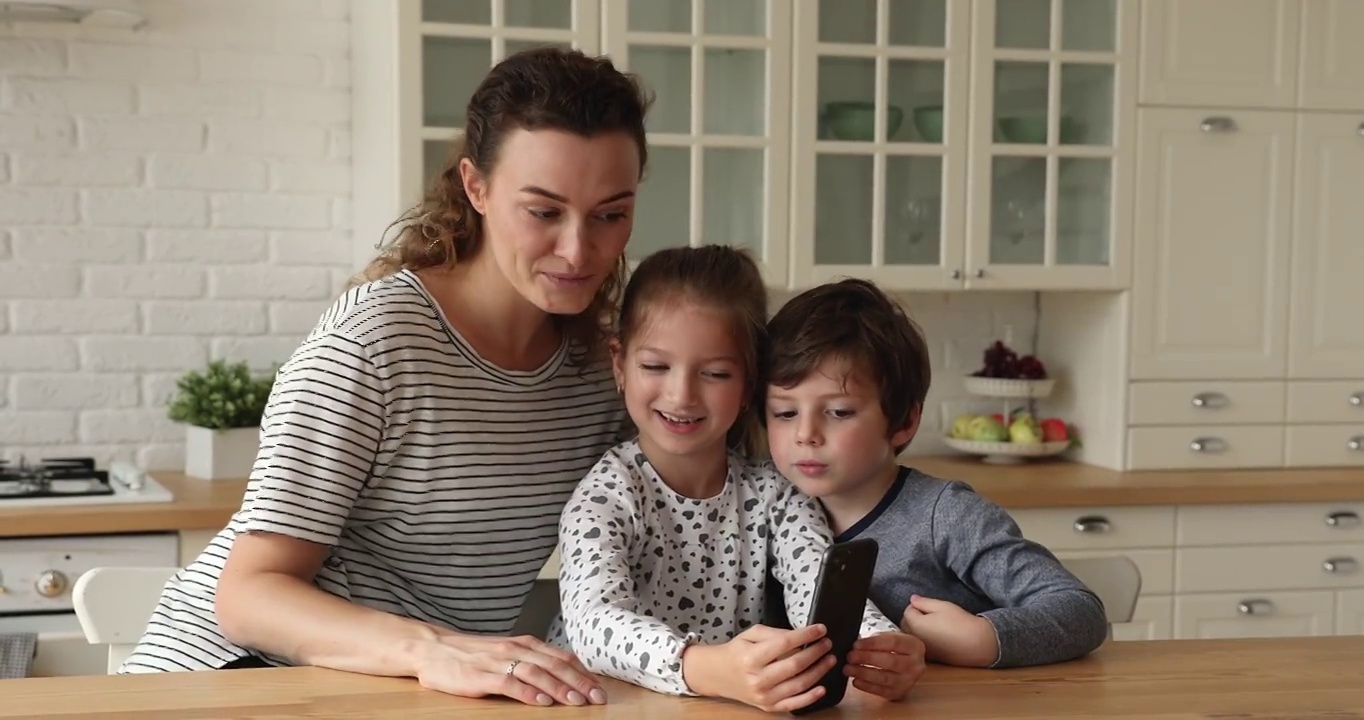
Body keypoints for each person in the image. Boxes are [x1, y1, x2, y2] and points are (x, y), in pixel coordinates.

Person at [118, 48, 654, 708]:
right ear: (476, 188)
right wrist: (434, 650)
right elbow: (249, 595)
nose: (579, 250)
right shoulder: (374, 343)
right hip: (230, 677)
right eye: (543, 212)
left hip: (390, 693)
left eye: (610, 214)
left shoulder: (604, 374)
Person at [548, 246, 926, 714]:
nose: (681, 394)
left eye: (715, 373)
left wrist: (881, 644)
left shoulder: (774, 493)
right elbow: (593, 624)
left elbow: (818, 581)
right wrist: (705, 666)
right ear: (620, 364)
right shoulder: (606, 495)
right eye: (655, 366)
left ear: (749, 384)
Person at [763, 278, 1109, 669]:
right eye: (785, 413)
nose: (806, 435)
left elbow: (1081, 611)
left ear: (904, 422)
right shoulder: (763, 513)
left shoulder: (946, 516)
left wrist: (985, 639)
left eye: (839, 412)